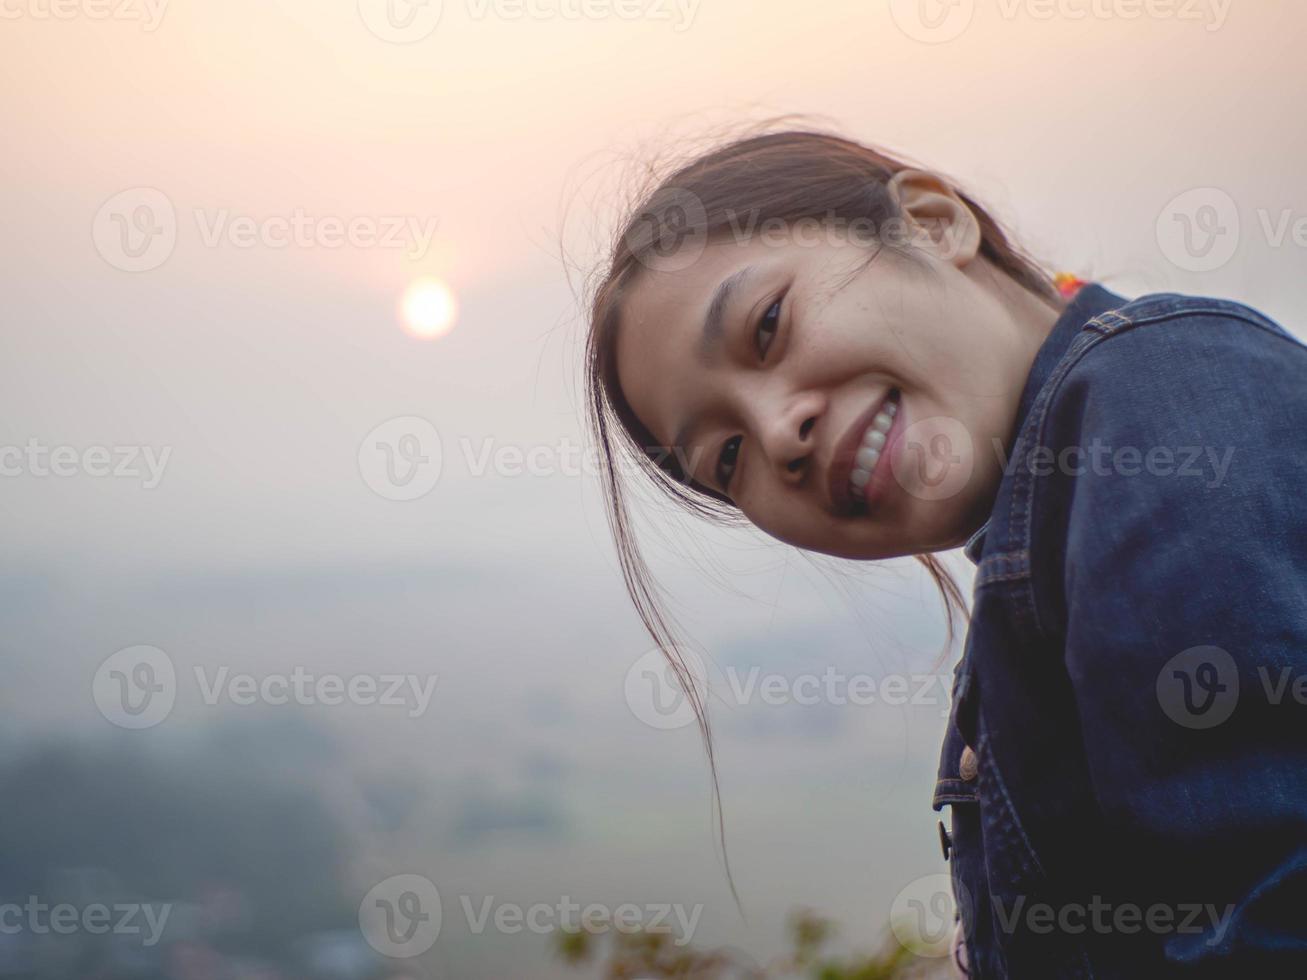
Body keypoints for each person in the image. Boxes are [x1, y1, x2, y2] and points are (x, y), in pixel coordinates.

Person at [582, 126, 1307, 977]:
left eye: (768, 324)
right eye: (726, 458)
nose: (779, 432)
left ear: (931, 223)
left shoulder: (1153, 407)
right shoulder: (1067, 502)